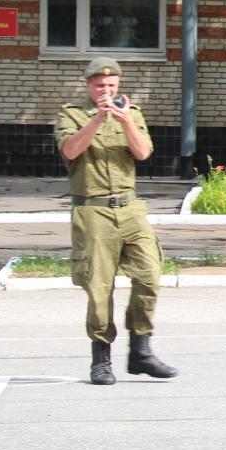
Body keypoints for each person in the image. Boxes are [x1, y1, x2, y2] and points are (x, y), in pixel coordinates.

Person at [55, 57, 178, 386]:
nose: (105, 90)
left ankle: (140, 351)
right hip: (92, 211)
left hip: (130, 209)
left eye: (110, 85)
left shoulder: (133, 113)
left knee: (150, 276)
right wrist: (97, 119)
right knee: (99, 288)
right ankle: (101, 359)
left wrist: (123, 121)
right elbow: (70, 150)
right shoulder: (71, 114)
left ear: (118, 85)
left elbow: (142, 153)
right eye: (99, 86)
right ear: (88, 86)